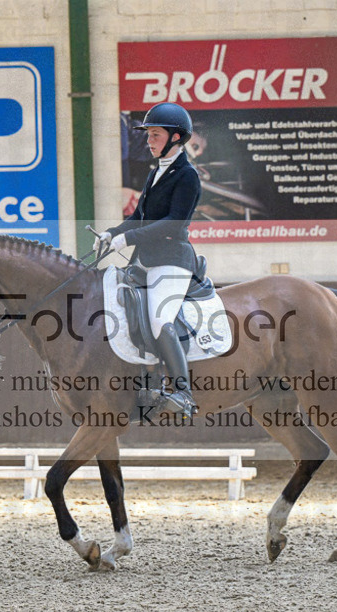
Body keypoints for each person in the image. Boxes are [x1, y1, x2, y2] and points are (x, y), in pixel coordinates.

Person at [95, 102, 202, 418]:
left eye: (155, 135)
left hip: (173, 260)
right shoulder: (155, 173)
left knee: (159, 318)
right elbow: (139, 216)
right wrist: (111, 232)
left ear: (176, 138)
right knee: (123, 309)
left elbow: (173, 223)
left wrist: (126, 239)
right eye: (149, 135)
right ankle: (148, 385)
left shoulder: (187, 176)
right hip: (145, 261)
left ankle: (183, 392)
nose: (149, 141)